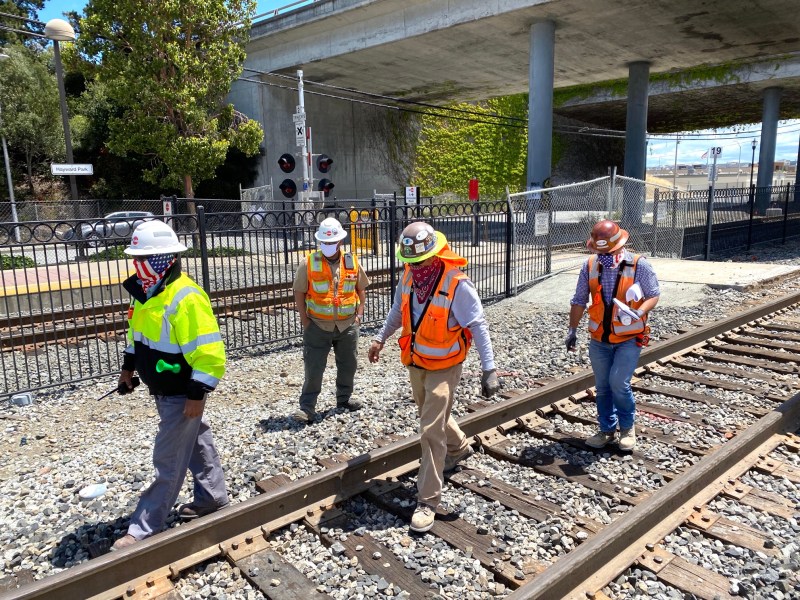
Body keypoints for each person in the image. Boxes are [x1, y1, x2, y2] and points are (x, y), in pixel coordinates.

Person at [368, 221, 499, 533]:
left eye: (419, 261)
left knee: (429, 430)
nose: (415, 267)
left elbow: (478, 325)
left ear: (435, 253)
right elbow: (398, 311)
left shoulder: (457, 284)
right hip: (416, 362)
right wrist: (380, 338)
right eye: (409, 262)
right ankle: (459, 447)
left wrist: (489, 369)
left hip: (445, 366)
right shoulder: (410, 277)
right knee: (432, 417)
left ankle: (427, 500)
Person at [111, 220, 228, 551]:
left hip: (181, 392)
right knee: (197, 443)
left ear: (165, 259)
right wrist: (128, 369)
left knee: (168, 458)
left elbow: (210, 352)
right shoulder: (146, 292)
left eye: (143, 258)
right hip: (163, 391)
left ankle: (143, 528)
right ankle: (213, 497)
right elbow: (136, 334)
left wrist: (196, 393)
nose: (137, 264)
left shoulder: (186, 297)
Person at [566, 219, 660, 452]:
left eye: (608, 250)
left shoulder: (638, 264)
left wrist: (639, 312)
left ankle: (627, 428)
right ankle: (606, 430)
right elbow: (579, 299)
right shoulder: (590, 266)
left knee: (619, 383)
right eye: (601, 251)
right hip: (599, 339)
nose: (605, 255)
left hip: (628, 338)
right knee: (603, 386)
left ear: (620, 245)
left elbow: (653, 294)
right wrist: (572, 329)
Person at [292, 217, 370, 423]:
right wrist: (305, 320)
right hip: (317, 325)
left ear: (340, 242)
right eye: (324, 243)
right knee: (314, 368)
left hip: (347, 325)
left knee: (348, 364)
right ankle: (307, 408)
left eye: (331, 242)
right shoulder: (308, 262)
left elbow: (360, 290)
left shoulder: (351, 262)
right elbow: (299, 292)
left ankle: (344, 399)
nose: (327, 246)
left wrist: (359, 315)